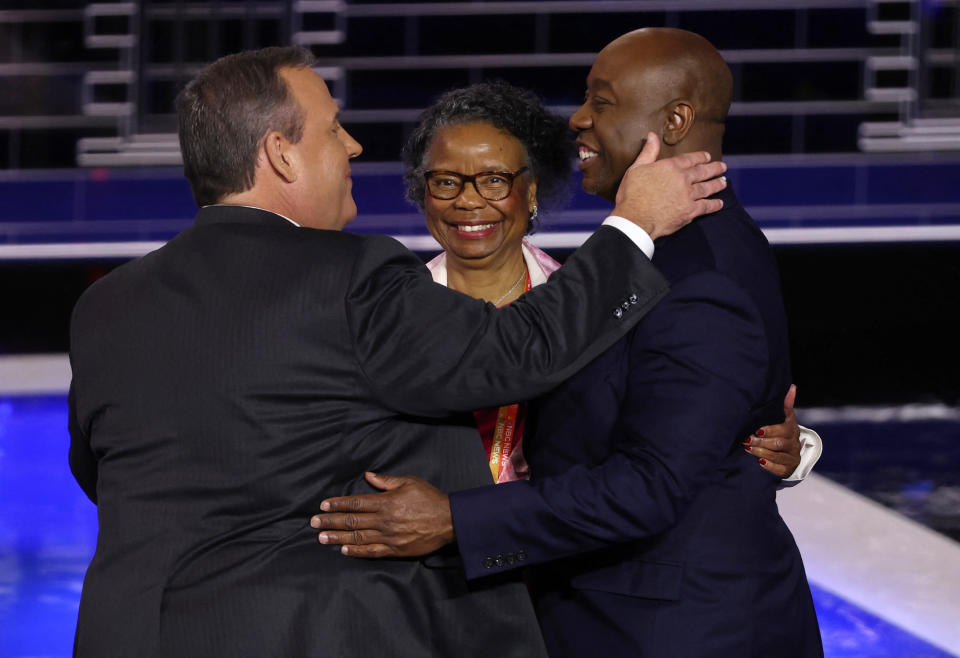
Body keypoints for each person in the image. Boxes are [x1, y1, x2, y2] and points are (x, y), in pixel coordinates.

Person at [67, 46, 727, 656]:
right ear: (280, 153)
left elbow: (105, 473)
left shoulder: (107, 305)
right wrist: (634, 222)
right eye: (331, 129)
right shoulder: (348, 277)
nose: (352, 145)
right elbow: (523, 349)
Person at [313, 29, 824, 657]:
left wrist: (454, 518)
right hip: (490, 603)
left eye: (601, 102)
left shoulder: (668, 274)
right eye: (445, 181)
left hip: (659, 626)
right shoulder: (626, 268)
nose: (578, 119)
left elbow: (653, 478)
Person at [405, 80, 820, 485]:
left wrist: (776, 443)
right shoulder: (387, 305)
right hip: (414, 542)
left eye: (494, 179)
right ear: (423, 193)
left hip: (553, 542)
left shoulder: (601, 298)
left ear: (532, 191)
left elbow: (668, 433)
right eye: (445, 181)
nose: (468, 199)